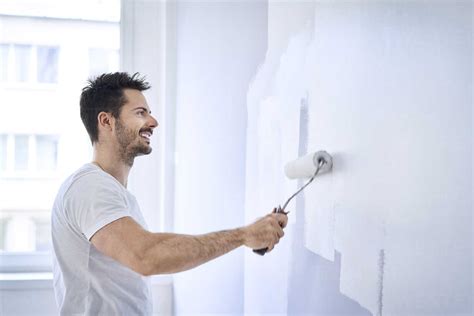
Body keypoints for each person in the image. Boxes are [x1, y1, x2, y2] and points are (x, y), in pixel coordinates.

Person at [51, 72, 288, 315]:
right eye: (140, 113)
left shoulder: (113, 193)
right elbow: (146, 256)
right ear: (106, 121)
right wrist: (243, 235)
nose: (153, 122)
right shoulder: (89, 186)